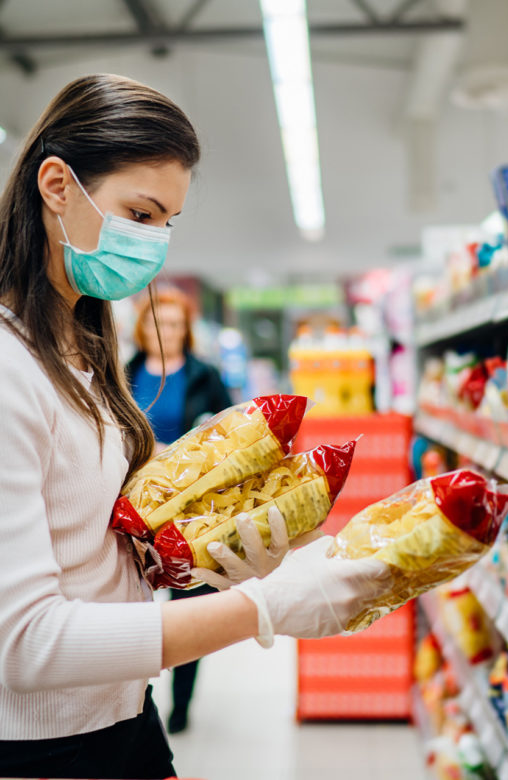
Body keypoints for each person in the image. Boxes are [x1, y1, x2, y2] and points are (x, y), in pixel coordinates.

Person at [0, 72, 391, 780]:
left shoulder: (79, 350)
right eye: (140, 215)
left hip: (122, 721)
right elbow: (27, 645)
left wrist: (189, 557)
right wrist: (263, 608)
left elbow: (82, 551)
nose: (154, 247)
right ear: (56, 186)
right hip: (44, 750)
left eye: (167, 224)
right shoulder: (7, 370)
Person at [127, 286, 232, 734]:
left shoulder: (205, 376)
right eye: (157, 322)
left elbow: (231, 434)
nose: (165, 331)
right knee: (133, 602)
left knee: (189, 602)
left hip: (191, 509)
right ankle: (136, 695)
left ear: (185, 331)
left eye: (173, 324)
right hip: (134, 506)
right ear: (142, 328)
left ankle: (181, 704)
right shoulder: (122, 372)